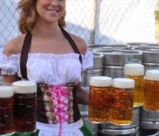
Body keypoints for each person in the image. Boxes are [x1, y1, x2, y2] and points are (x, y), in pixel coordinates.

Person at [0, 0, 93, 135]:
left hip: (75, 130)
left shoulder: (78, 45)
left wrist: (103, 100)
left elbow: (77, 92)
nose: (55, 3)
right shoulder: (15, 47)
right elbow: (8, 96)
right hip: (33, 130)